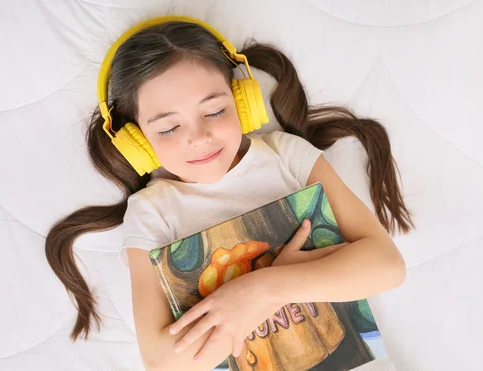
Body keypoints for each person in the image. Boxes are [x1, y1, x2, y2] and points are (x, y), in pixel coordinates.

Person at [45, 16, 414, 371]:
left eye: (215, 110)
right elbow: (162, 362)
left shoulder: (286, 155)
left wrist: (262, 290)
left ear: (243, 101)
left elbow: (386, 266)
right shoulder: (151, 211)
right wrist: (268, 290)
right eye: (169, 128)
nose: (199, 137)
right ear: (138, 142)